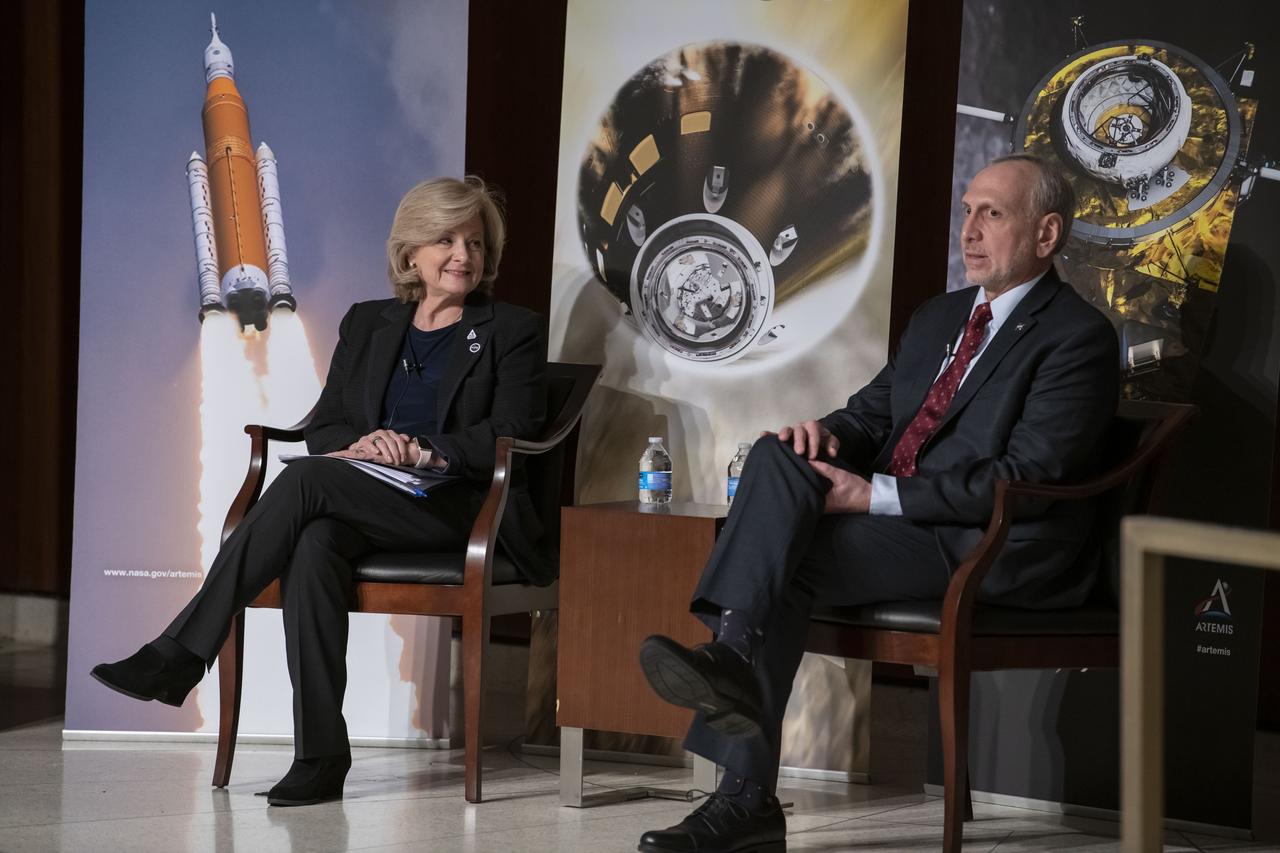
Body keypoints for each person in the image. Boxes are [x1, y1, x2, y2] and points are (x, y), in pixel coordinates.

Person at [636, 154, 1120, 853]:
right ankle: (735, 672)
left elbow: (1026, 474)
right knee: (778, 455)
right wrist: (824, 434)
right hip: (905, 527)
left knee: (784, 562)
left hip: (985, 541)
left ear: (1047, 235)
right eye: (967, 211)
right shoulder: (940, 317)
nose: (971, 230)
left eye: (993, 214)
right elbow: (871, 416)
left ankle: (741, 779)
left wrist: (877, 493)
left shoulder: (1077, 337)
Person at [91, 176, 549, 807]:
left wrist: (420, 450)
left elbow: (513, 430)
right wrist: (362, 447)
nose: (462, 255)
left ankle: (180, 651)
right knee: (314, 545)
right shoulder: (368, 323)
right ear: (411, 252)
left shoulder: (510, 330)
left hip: (460, 508)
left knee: (306, 481)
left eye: (474, 240)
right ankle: (321, 757)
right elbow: (327, 422)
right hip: (369, 493)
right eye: (445, 239)